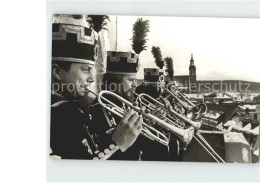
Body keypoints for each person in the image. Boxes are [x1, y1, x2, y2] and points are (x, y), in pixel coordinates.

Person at [50, 15, 143, 160]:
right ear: (56, 72)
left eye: (93, 70)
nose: (92, 78)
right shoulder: (56, 115)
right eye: (86, 69)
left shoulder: (74, 110)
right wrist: (117, 144)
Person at [90, 51, 171, 161]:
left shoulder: (125, 104)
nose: (135, 85)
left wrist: (149, 124)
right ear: (115, 82)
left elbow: (149, 148)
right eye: (131, 80)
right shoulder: (99, 108)